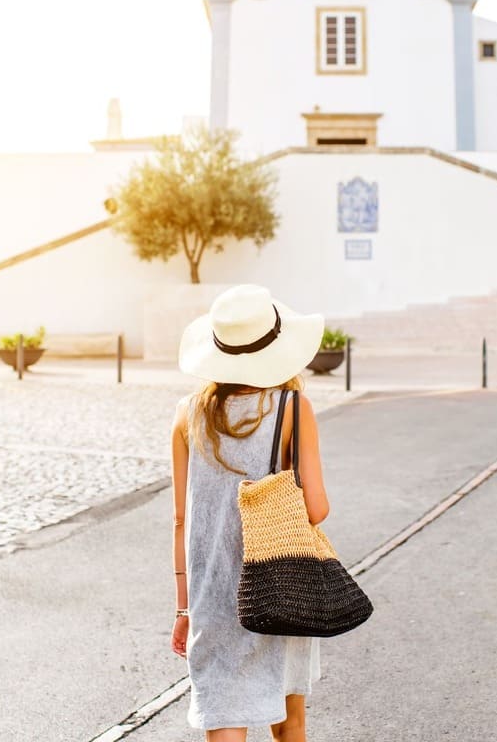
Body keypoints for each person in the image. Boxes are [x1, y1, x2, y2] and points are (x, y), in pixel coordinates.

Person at [170, 284, 329, 742]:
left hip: (212, 593)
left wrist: (183, 608)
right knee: (289, 724)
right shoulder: (293, 408)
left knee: (223, 720)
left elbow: (181, 520)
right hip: (280, 585)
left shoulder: (186, 414)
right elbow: (316, 509)